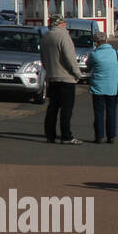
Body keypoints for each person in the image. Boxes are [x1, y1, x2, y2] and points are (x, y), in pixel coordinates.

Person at [40, 16, 83, 145]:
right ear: (61, 24)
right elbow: (69, 57)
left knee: (52, 108)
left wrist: (48, 70)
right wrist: (77, 73)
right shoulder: (64, 36)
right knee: (66, 109)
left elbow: (43, 57)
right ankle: (66, 136)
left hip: (52, 76)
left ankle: (50, 135)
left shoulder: (45, 36)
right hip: (66, 78)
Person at [86, 32, 118, 144]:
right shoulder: (115, 53)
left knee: (99, 112)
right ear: (106, 41)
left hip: (98, 87)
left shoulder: (95, 54)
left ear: (96, 43)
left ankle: (99, 136)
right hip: (112, 87)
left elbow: (88, 65)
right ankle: (111, 136)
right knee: (111, 111)